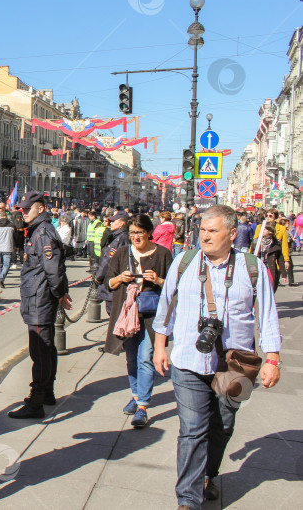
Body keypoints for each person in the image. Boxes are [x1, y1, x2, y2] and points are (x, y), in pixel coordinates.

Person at [153, 205, 281, 510]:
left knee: (223, 426)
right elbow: (166, 306)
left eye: (213, 231)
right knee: (192, 430)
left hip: (233, 365)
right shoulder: (184, 262)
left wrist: (273, 359)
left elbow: (268, 315)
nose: (205, 236)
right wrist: (159, 346)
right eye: (202, 230)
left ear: (232, 234)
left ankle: (209, 475)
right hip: (187, 361)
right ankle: (188, 499)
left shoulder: (252, 267)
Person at [103, 215, 173, 428]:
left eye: (139, 234)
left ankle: (142, 406)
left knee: (145, 357)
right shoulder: (123, 253)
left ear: (149, 233)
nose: (135, 237)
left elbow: (173, 287)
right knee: (131, 358)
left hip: (151, 316)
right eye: (132, 233)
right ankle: (135, 396)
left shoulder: (163, 253)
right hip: (127, 314)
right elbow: (109, 283)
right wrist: (120, 279)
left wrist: (158, 280)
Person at [9, 192, 71, 419]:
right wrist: (60, 291)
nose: (22, 212)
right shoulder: (38, 230)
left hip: (39, 298)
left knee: (40, 350)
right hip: (39, 295)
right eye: (22, 209)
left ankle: (37, 400)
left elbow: (53, 268)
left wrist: (59, 292)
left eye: (27, 209)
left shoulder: (43, 232)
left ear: (41, 208)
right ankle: (46, 393)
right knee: (46, 348)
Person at [95, 211, 131, 313]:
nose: (111, 223)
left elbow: (108, 261)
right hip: (118, 281)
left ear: (121, 223)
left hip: (114, 281)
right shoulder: (121, 237)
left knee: (114, 314)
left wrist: (98, 276)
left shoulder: (120, 239)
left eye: (113, 221)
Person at [254, 222, 282, 292]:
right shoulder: (256, 241)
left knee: (270, 289)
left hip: (269, 268)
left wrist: (283, 273)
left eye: (264, 229)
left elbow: (280, 258)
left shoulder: (275, 243)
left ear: (270, 231)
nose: (262, 231)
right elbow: (251, 255)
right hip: (258, 268)